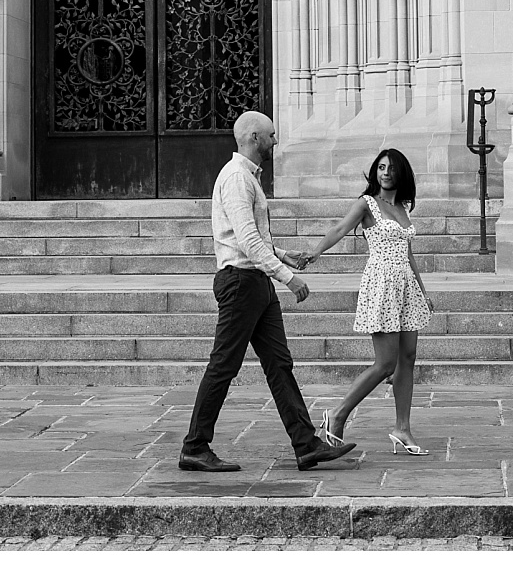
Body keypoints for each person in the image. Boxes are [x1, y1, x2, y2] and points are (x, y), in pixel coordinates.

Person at [179, 110, 358, 473]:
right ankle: (195, 446)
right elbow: (244, 241)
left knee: (279, 365)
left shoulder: (248, 178)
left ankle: (306, 446)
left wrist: (281, 254)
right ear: (253, 137)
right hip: (241, 283)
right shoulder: (236, 179)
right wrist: (287, 277)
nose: (276, 141)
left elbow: (249, 237)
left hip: (254, 282)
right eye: (271, 135)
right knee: (224, 366)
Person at [302, 148, 434, 455]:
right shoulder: (367, 204)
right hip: (382, 284)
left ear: (401, 173)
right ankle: (337, 414)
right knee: (385, 363)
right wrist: (314, 254)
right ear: (375, 172)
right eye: (381, 167)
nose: (386, 173)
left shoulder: (404, 206)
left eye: (391, 168)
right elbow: (339, 229)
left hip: (407, 286)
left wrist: (423, 290)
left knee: (408, 358)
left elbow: (408, 251)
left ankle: (403, 429)